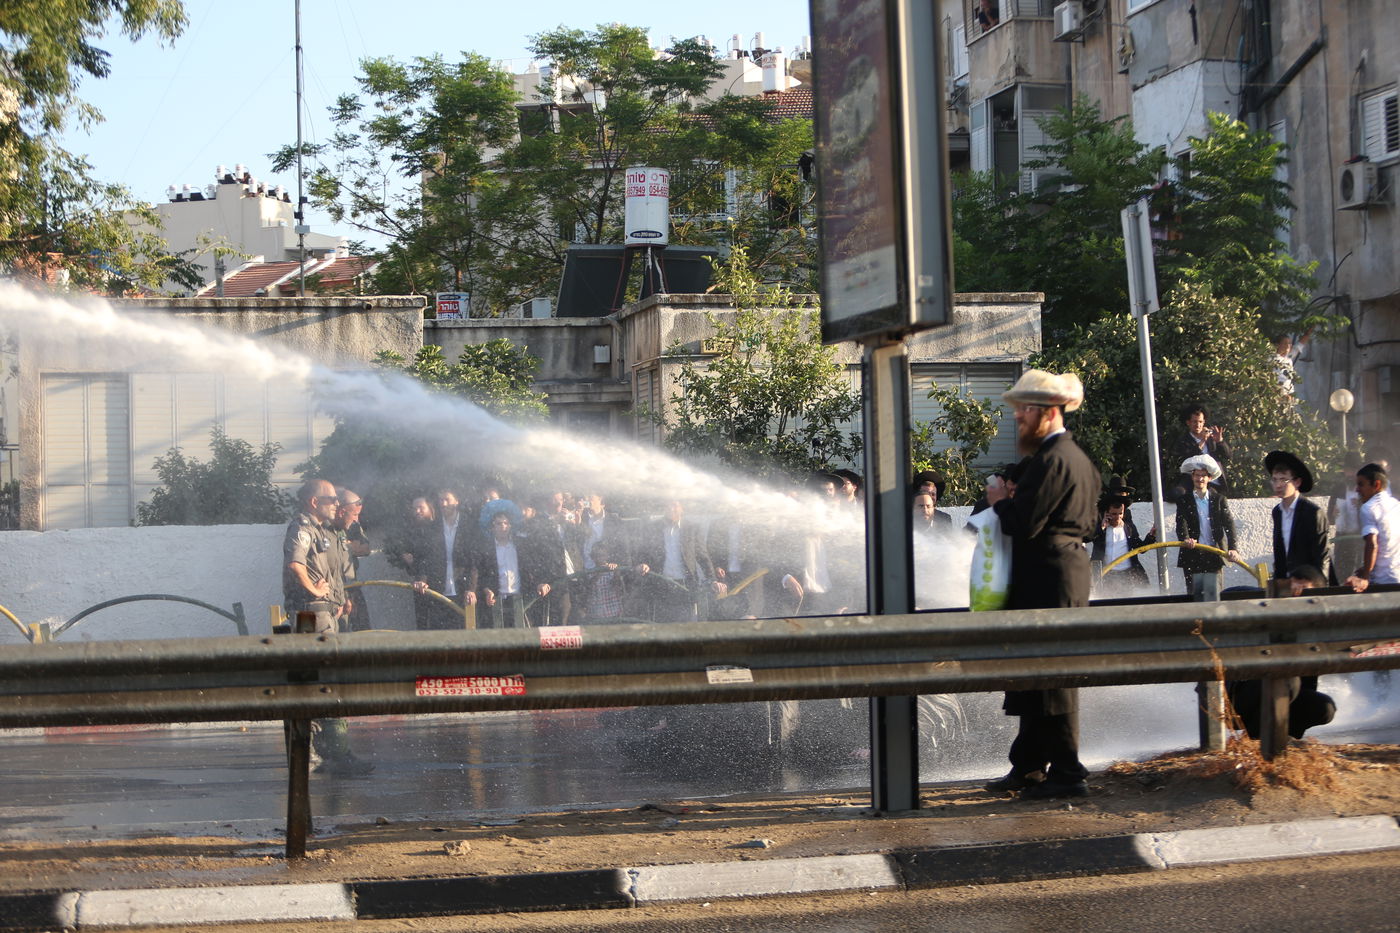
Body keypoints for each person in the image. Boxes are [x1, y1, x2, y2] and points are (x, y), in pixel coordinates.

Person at [983, 370, 1100, 800]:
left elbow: (1025, 523)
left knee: (1054, 679)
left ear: (1049, 412)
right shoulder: (1076, 457)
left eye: (1025, 409)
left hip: (1051, 579)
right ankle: (1029, 765)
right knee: (1037, 675)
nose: (1018, 417)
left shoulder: (1052, 460)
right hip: (1059, 575)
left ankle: (1067, 772)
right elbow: (1087, 524)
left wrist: (1000, 502)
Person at [281, 478, 371, 775]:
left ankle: (330, 749)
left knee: (327, 680)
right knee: (316, 680)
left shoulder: (323, 530)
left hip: (325, 613)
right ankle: (315, 752)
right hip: (311, 614)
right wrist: (315, 591)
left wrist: (339, 598)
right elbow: (295, 564)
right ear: (314, 502)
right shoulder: (302, 527)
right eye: (331, 499)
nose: (336, 504)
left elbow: (333, 571)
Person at [635, 499, 726, 622]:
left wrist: (712, 580)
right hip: (661, 583)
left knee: (687, 622)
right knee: (663, 624)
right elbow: (644, 552)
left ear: (682, 508)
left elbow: (702, 556)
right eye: (667, 505)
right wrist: (642, 564)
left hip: (685, 585)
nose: (671, 508)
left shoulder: (692, 528)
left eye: (674, 505)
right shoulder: (653, 528)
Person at [406, 487, 476, 630]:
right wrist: (423, 580)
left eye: (447, 499)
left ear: (456, 501)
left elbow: (474, 560)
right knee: (439, 633)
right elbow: (426, 557)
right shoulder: (432, 528)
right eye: (441, 500)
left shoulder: (469, 527)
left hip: (462, 591)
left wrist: (471, 588)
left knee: (463, 635)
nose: (443, 504)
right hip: (438, 590)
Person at [1173, 455, 1240, 596]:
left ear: (1209, 478)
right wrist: (1186, 538)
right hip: (1193, 553)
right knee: (1195, 596)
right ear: (1192, 477)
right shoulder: (1184, 500)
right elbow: (1181, 522)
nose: (1200, 479)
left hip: (1214, 553)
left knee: (1213, 594)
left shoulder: (1219, 500)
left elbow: (1229, 524)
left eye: (1203, 476)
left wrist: (1233, 548)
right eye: (1197, 475)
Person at [476, 511, 554, 628]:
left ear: (510, 526)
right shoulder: (486, 548)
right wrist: (487, 591)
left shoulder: (520, 545)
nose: (503, 526)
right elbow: (482, 574)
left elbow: (531, 568)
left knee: (522, 635)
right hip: (496, 600)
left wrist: (539, 583)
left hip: (520, 599)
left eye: (506, 523)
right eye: (499, 524)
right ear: (492, 528)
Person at [1267, 450, 1330, 582]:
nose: (1278, 485)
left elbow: (1322, 557)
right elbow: (1280, 553)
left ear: (1297, 482)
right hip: (1287, 583)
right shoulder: (1277, 512)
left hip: (1308, 583)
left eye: (1283, 480)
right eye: (1275, 479)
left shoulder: (1313, 513)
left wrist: (1315, 585)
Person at [1090, 478, 1154, 597]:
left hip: (1127, 574)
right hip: (1105, 573)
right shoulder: (1099, 516)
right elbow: (1087, 537)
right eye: (1114, 513)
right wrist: (1102, 527)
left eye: (1120, 513)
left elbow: (1139, 547)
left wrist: (1151, 536)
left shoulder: (1127, 522)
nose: (1118, 517)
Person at [1346, 463, 1400, 592]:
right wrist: (1366, 568)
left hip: (1381, 581)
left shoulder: (1368, 508)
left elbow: (1372, 544)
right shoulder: (1396, 505)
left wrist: (1365, 577)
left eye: (1361, 484)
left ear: (1376, 485)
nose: (1357, 490)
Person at [1167, 404, 1231, 498]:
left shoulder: (1211, 439)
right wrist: (1202, 441)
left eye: (1200, 422)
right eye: (1195, 422)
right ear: (1188, 422)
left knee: (1212, 497)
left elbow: (1227, 456)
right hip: (1191, 480)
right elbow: (1185, 460)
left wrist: (1220, 441)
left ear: (1204, 422)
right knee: (1176, 493)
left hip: (1211, 481)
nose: (1198, 425)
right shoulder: (1183, 440)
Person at [333, 486, 373, 632]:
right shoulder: (324, 530)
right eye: (355, 514)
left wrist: (347, 547)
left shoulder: (353, 525)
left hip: (352, 584)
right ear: (341, 511)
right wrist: (344, 596)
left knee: (363, 629)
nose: (357, 519)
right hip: (334, 590)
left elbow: (366, 549)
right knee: (339, 632)